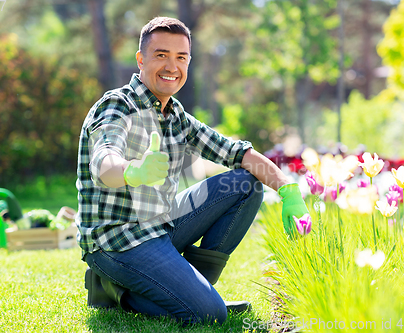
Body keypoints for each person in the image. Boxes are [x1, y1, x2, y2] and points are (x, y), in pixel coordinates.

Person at [77, 16, 309, 325]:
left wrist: (287, 189)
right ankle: (116, 290)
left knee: (246, 184)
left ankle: (193, 286)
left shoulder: (176, 115)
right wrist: (134, 172)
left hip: (160, 224)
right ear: (141, 59)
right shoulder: (117, 106)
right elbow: (104, 162)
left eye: (181, 57)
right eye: (161, 55)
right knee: (210, 314)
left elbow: (238, 153)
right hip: (117, 241)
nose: (172, 66)